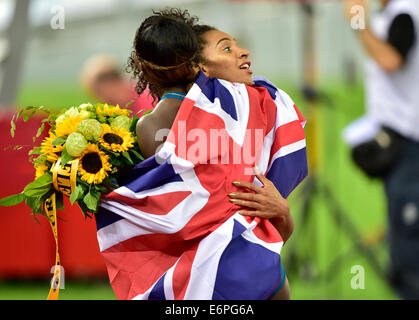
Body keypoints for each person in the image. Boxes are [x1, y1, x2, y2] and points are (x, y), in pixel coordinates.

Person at [99, 8, 307, 300]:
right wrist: (283, 214)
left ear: (143, 68)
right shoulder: (253, 104)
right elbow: (269, 225)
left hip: (206, 281)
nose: (242, 53)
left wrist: (100, 188)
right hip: (264, 273)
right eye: (227, 48)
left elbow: (181, 217)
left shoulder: (153, 125)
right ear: (198, 66)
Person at [345, 0, 419, 299]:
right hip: (400, 139)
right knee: (401, 239)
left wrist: (358, 24)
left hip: (410, 144)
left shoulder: (406, 11)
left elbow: (390, 60)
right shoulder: (396, 13)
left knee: (410, 243)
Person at [80, 54, 155, 115]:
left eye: (97, 92)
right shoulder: (115, 114)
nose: (100, 100)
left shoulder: (152, 96)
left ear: (109, 83)